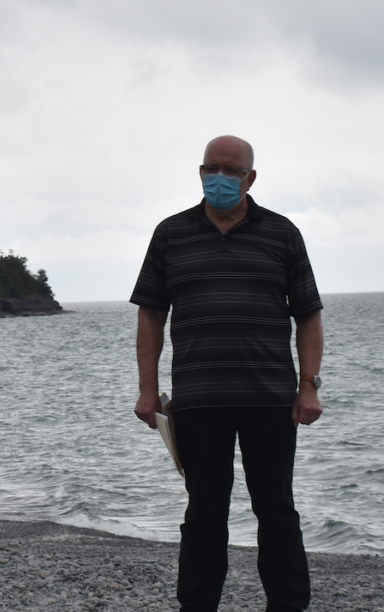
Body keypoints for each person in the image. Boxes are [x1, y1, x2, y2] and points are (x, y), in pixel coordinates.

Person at [130, 136, 323, 612]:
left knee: (276, 510)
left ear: (250, 178)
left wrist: (308, 386)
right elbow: (151, 316)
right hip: (198, 400)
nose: (220, 176)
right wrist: (148, 391)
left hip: (270, 398)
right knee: (204, 514)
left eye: (231, 170)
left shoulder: (282, 233)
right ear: (199, 172)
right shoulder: (170, 233)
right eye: (211, 168)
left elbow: (309, 315)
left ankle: (289, 605)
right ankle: (196, 606)